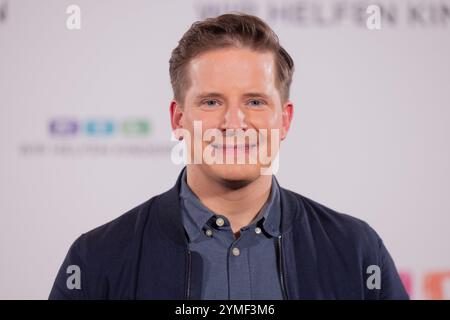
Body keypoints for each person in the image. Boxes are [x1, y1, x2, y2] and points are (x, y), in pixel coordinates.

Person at [49, 13, 408, 300]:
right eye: (211, 102)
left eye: (254, 101)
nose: (233, 123)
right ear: (178, 119)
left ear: (284, 120)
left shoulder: (356, 251)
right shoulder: (98, 258)